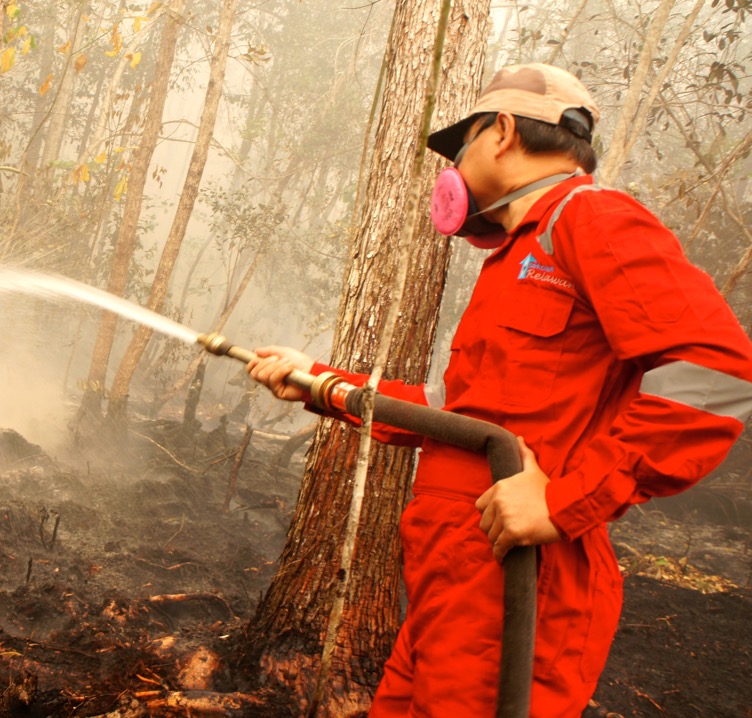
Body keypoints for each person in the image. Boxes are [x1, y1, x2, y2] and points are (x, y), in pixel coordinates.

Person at [246, 63, 752, 717]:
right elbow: (456, 415)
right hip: (448, 586)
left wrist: (568, 501)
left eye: (459, 147)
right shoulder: (517, 254)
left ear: (501, 132)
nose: (452, 166)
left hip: (519, 586)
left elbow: (716, 371)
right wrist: (319, 383)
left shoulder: (591, 218)